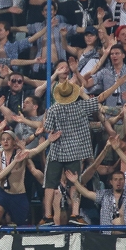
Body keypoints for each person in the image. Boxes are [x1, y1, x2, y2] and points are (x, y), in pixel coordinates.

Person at [40, 81, 100, 225]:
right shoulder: (81, 106)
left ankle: (47, 216)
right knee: (74, 182)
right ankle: (75, 214)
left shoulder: (53, 109)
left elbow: (47, 129)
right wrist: (116, 85)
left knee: (50, 184)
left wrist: (46, 118)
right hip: (74, 152)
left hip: (57, 151)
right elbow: (101, 98)